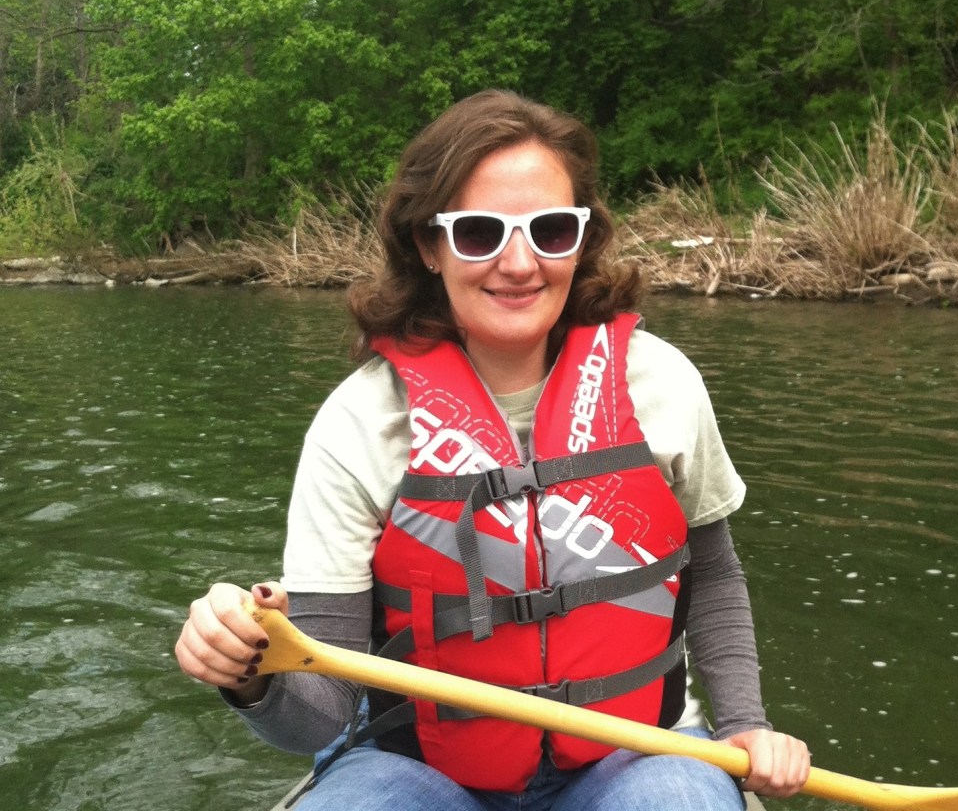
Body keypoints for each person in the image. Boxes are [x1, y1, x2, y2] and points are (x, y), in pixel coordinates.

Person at [175, 90, 811, 810]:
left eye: (550, 230)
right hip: (419, 773)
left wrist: (747, 725)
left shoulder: (661, 383)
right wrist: (250, 674)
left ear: (582, 238)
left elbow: (715, 575)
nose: (519, 263)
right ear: (429, 245)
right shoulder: (360, 421)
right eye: (480, 233)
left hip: (635, 759)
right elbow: (319, 709)